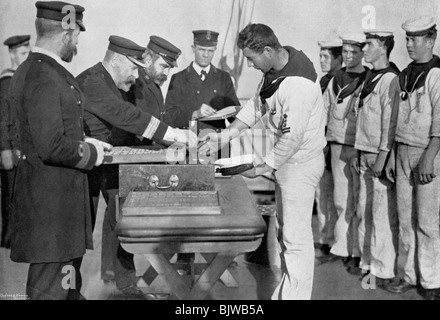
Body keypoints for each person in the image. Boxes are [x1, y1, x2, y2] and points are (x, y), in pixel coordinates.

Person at [199, 23, 326, 300]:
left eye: (251, 58)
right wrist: (226, 136)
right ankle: (288, 292)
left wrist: (263, 166)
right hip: (287, 163)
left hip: (300, 165)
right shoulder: (275, 72)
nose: (250, 64)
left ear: (267, 50)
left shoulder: (298, 85)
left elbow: (292, 139)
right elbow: (256, 105)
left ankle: (295, 297)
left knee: (296, 239)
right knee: (286, 234)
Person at [7, 1, 110, 300]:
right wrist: (93, 154)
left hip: (54, 205)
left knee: (65, 287)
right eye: (76, 34)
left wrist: (88, 143)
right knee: (48, 290)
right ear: (66, 34)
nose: (77, 41)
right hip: (51, 208)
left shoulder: (41, 71)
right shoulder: (44, 76)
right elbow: (50, 145)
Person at [76, 35, 192, 298]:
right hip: (86, 168)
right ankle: (71, 292)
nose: (135, 74)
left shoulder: (114, 80)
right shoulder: (93, 82)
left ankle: (125, 286)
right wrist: (174, 135)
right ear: (117, 61)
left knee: (122, 223)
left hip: (112, 163)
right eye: (132, 67)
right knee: (79, 232)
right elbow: (126, 115)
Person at [383, 16, 440, 301]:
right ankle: (409, 275)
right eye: (407, 39)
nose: (409, 44)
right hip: (402, 151)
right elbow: (396, 119)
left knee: (427, 223)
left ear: (430, 41)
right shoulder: (405, 74)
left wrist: (430, 157)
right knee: (405, 220)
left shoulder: (437, 74)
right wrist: (394, 154)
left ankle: (431, 282)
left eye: (415, 39)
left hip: (428, 153)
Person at [350, 29, 400, 282]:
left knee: (381, 214)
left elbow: (390, 122)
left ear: (383, 47)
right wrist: (357, 151)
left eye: (369, 45)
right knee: (364, 210)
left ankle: (383, 268)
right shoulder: (371, 76)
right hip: (364, 152)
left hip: (378, 154)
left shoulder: (391, 79)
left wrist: (383, 154)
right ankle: (367, 261)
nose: (364, 49)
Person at [317, 33, 368, 273]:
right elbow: (324, 111)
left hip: (358, 147)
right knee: (339, 200)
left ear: (362, 53)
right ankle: (342, 247)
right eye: (345, 52)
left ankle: (357, 251)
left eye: (353, 52)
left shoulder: (368, 78)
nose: (348, 56)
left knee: (357, 201)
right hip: (336, 144)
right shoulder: (334, 79)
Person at [164, 29, 240, 133]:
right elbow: (169, 115)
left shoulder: (223, 78)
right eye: (201, 49)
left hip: (218, 141)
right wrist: (195, 114)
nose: (206, 55)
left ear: (215, 50)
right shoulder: (178, 78)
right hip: (191, 141)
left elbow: (234, 113)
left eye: (210, 51)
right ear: (193, 48)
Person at [0, 34, 31, 248]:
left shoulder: (21, 78)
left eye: (28, 52)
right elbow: (2, 118)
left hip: (22, 147)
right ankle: (9, 241)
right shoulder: (7, 81)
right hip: (11, 148)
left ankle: (18, 238)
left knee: (21, 195)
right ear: (12, 54)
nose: (26, 56)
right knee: (10, 196)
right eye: (22, 53)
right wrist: (5, 150)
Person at [122, 35, 181, 146]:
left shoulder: (152, 82)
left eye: (170, 68)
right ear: (148, 60)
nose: (167, 73)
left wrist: (179, 134)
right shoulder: (135, 82)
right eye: (164, 66)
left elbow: (163, 117)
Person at [314, 38, 342, 256]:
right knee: (322, 195)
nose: (321, 60)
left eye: (326, 56)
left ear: (339, 58)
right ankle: (326, 240)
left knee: (342, 198)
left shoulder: (345, 81)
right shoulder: (323, 81)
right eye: (321, 55)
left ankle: (343, 246)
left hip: (339, 146)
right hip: (320, 147)